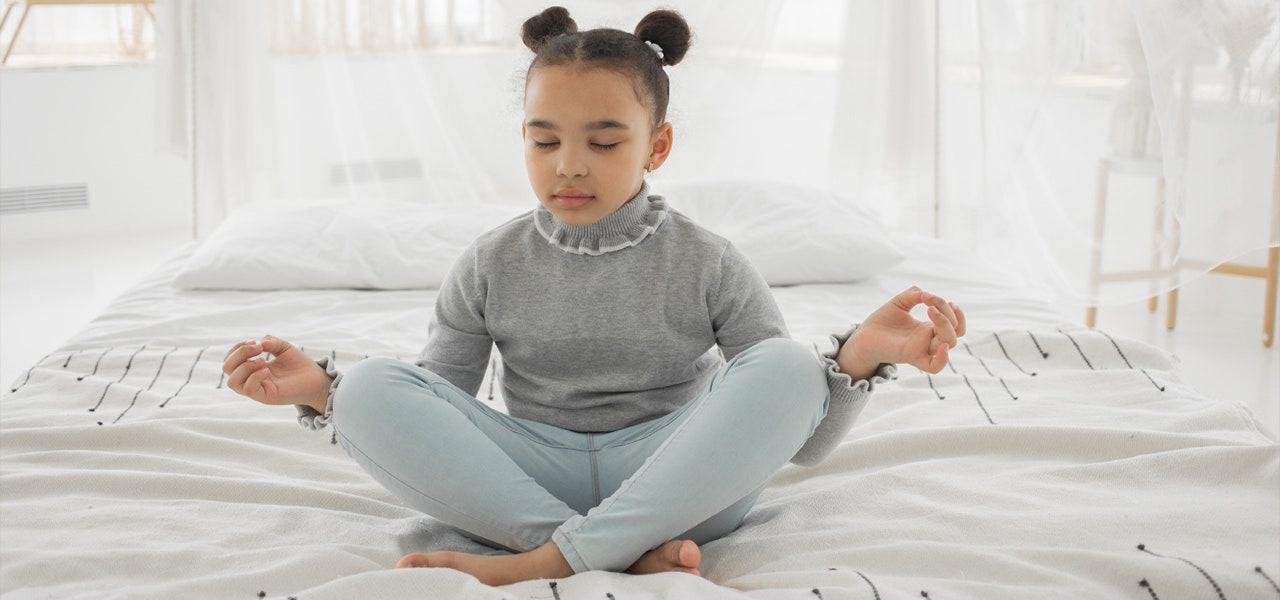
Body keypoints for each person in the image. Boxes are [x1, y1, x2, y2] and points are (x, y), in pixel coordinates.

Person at [221, 6, 965, 587]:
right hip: (527, 472)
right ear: (523, 139)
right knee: (371, 384)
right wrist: (322, 393)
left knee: (788, 366)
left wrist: (859, 359)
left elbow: (803, 439)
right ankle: (617, 551)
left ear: (657, 146)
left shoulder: (710, 261)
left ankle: (547, 559)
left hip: (679, 478)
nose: (569, 166)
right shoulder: (488, 262)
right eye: (545, 142)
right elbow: (432, 410)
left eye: (604, 143)